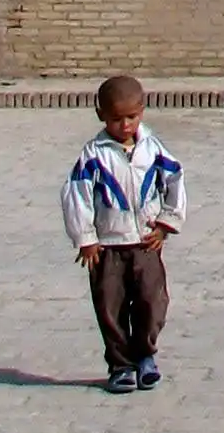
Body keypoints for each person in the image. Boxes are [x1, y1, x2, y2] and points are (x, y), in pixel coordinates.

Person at [61, 74, 186, 393]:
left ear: (142, 111)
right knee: (110, 306)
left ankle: (145, 356)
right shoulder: (94, 155)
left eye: (132, 117)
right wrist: (86, 238)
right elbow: (77, 194)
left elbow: (174, 181)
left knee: (152, 301)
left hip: (145, 243)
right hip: (108, 246)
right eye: (116, 119)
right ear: (101, 115)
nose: (125, 125)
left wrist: (165, 223)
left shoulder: (153, 149)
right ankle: (120, 365)